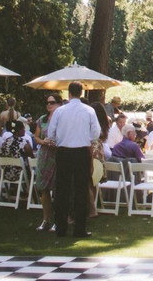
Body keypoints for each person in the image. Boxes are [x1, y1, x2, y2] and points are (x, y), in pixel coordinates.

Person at [49, 81, 100, 239]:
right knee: (81, 190)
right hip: (81, 152)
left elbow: (51, 133)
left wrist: (61, 138)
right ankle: (79, 229)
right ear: (81, 93)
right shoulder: (89, 110)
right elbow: (96, 133)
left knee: (62, 190)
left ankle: (61, 228)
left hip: (63, 152)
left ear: (69, 93)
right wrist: (85, 137)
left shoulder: (60, 111)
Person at [33, 95, 60, 232]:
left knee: (57, 189)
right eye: (47, 103)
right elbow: (36, 137)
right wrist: (43, 142)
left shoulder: (62, 120)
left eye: (52, 102)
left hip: (58, 156)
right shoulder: (42, 119)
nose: (49, 105)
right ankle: (45, 219)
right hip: (44, 156)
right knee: (44, 188)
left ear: (59, 104)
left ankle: (58, 220)